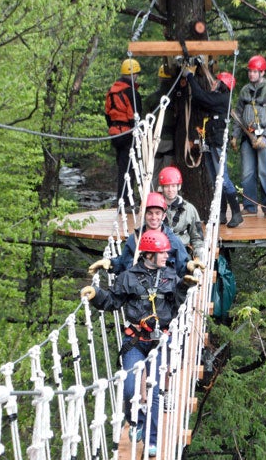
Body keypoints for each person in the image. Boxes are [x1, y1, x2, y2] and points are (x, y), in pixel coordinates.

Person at [81, 230, 198, 458]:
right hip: (135, 339)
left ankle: (152, 440)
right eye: (161, 252)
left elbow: (176, 307)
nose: (166, 255)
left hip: (161, 340)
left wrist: (184, 287)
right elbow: (113, 301)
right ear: (149, 255)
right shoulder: (128, 277)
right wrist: (96, 295)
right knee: (129, 387)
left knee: (154, 391)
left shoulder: (171, 275)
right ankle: (136, 420)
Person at [182, 65, 244, 228]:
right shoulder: (216, 98)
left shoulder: (223, 99)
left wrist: (189, 76)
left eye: (217, 81)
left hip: (217, 142)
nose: (214, 83)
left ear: (223, 84)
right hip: (210, 141)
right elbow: (198, 99)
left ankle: (236, 213)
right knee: (216, 180)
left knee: (223, 179)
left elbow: (201, 97)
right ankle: (222, 214)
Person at [88, 192, 195, 277]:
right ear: (144, 215)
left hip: (164, 295)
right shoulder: (134, 239)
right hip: (137, 293)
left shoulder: (173, 241)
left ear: (164, 216)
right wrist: (110, 263)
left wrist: (190, 266)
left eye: (157, 213)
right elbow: (123, 263)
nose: (154, 217)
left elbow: (182, 267)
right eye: (150, 213)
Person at [232, 55, 266, 218]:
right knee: (247, 172)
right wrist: (235, 136)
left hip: (264, 138)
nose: (251, 74)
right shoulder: (245, 90)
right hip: (248, 136)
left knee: (265, 172)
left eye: (254, 71)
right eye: (250, 71)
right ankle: (250, 206)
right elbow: (238, 114)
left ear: (262, 72)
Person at [105, 58, 143, 199]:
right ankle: (126, 200)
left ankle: (123, 198)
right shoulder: (131, 93)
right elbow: (135, 117)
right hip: (128, 133)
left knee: (122, 167)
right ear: (133, 75)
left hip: (115, 133)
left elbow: (108, 114)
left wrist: (114, 129)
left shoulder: (111, 92)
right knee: (129, 169)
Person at [158, 166, 205, 260]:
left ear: (178, 187)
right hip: (159, 252)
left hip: (181, 252)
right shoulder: (155, 209)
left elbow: (197, 238)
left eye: (173, 186)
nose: (170, 190)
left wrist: (199, 256)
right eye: (167, 186)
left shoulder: (189, 209)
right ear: (162, 188)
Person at [143, 65, 178, 189]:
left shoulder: (151, 99)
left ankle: (151, 197)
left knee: (154, 172)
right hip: (170, 141)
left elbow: (144, 120)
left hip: (154, 140)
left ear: (159, 78)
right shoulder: (176, 98)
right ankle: (166, 198)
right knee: (168, 172)